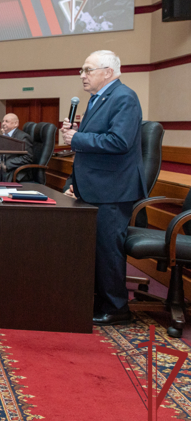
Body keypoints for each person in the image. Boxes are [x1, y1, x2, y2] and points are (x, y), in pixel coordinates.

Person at [60, 50, 146, 326]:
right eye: (82, 70)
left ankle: (117, 308)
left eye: (88, 70)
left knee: (109, 249)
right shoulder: (98, 98)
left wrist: (77, 137)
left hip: (113, 188)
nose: (82, 75)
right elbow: (93, 143)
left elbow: (119, 142)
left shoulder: (124, 97)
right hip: (95, 185)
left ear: (108, 72)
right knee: (95, 248)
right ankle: (99, 300)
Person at [0, 113, 34, 182]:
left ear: (16, 123)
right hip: (0, 172)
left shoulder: (23, 137)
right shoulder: (5, 136)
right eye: (3, 121)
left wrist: (5, 165)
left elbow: (28, 157)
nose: (3, 123)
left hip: (14, 173)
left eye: (7, 121)